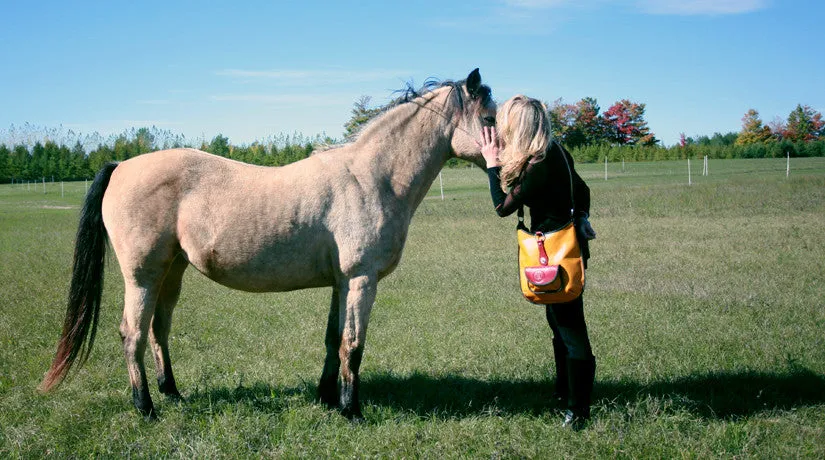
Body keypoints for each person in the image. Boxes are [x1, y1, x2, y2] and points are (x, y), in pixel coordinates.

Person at [480, 95, 597, 429]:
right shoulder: (555, 150)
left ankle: (578, 413)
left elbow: (502, 207)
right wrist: (583, 215)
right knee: (559, 327)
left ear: (519, 127)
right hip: (564, 252)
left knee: (572, 333)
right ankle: (564, 394)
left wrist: (491, 165)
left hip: (557, 257)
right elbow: (584, 188)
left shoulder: (539, 164)